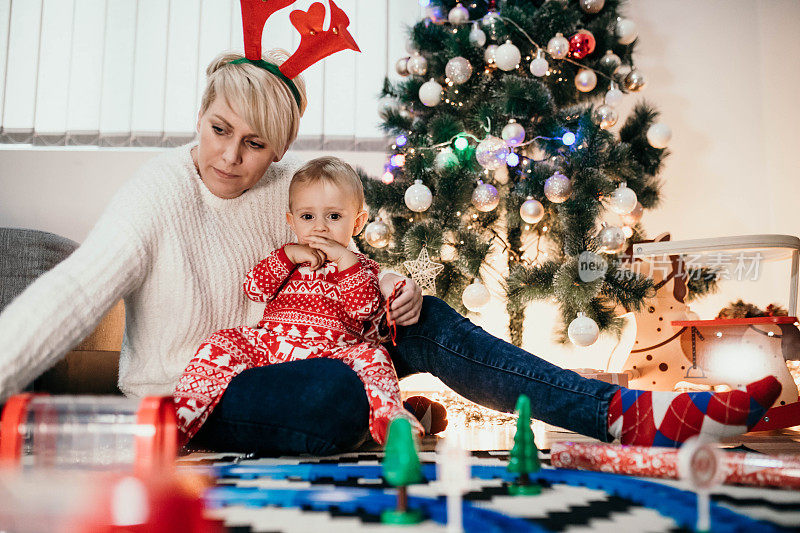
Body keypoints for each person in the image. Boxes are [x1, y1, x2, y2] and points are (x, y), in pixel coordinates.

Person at [0, 50, 781, 456]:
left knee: (427, 317)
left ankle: (625, 414)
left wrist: (396, 288)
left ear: (280, 148)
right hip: (198, 389)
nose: (232, 157)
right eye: (218, 131)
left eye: (256, 143)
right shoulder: (158, 191)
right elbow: (69, 293)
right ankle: (383, 414)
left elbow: (351, 258)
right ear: (200, 114)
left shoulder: (282, 189)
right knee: (336, 394)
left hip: (298, 349)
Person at [173, 156, 424, 446]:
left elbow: (364, 309)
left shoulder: (362, 267)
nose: (319, 228)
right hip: (273, 342)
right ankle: (181, 417)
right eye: (308, 217)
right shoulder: (289, 257)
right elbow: (255, 288)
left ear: (357, 223)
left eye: (333, 217)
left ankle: (389, 418)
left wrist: (345, 261)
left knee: (375, 357)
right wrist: (288, 255)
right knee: (221, 342)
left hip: (337, 352)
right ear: (292, 221)